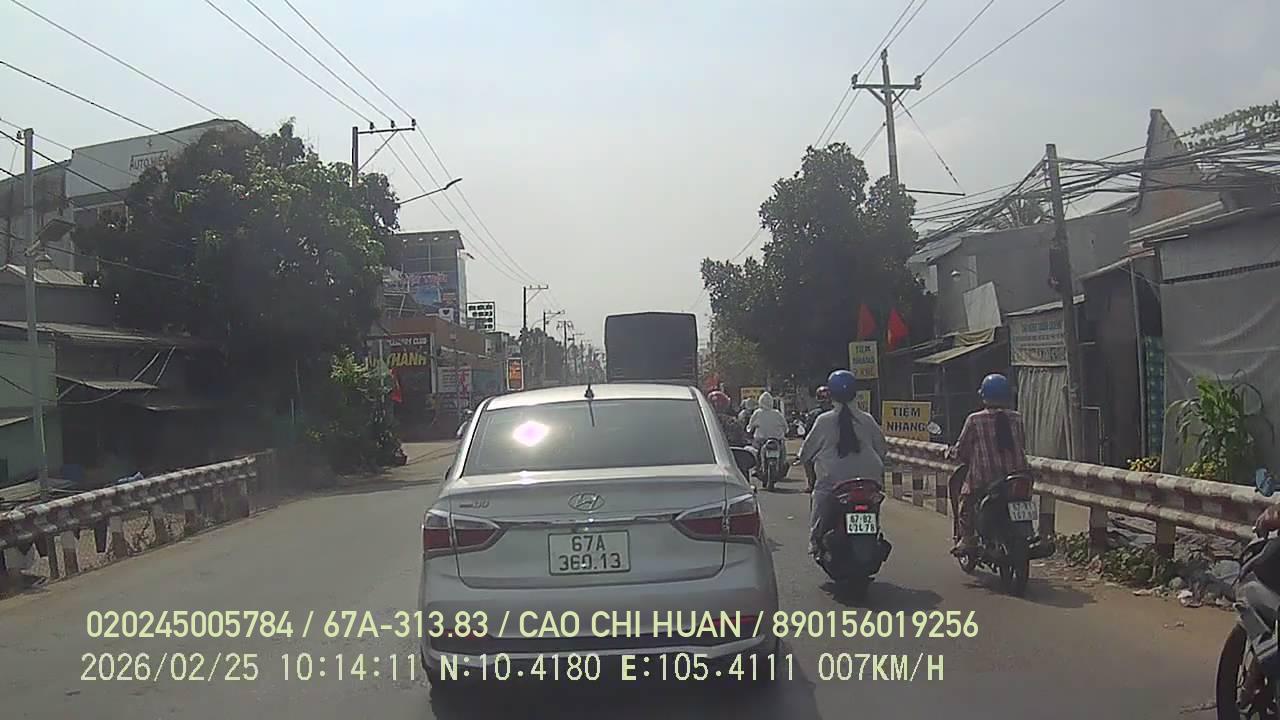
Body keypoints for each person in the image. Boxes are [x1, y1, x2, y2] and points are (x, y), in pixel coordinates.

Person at [795, 370, 887, 556]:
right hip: (870, 479)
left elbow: (806, 452)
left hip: (833, 481)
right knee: (873, 504)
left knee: (820, 497)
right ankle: (875, 531)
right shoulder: (867, 419)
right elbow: (882, 449)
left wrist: (801, 458)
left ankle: (815, 541)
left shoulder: (824, 420)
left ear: (831, 395)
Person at [948, 373, 1030, 555]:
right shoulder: (1017, 418)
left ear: (984, 396)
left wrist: (954, 453)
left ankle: (967, 538)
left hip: (986, 479)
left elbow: (962, 448)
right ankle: (1031, 533)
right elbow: (1022, 443)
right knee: (1023, 498)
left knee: (966, 501)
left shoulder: (974, 420)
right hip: (1017, 476)